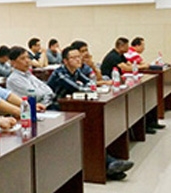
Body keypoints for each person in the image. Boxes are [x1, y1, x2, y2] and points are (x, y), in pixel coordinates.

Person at [49, 46, 134, 180]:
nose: (78, 60)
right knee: (87, 129)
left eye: (79, 57)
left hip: (72, 106)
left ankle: (110, 166)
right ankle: (109, 163)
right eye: (74, 58)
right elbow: (77, 87)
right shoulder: (60, 73)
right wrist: (90, 86)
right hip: (56, 109)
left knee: (92, 126)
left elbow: (90, 83)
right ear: (65, 61)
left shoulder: (76, 71)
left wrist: (90, 84)